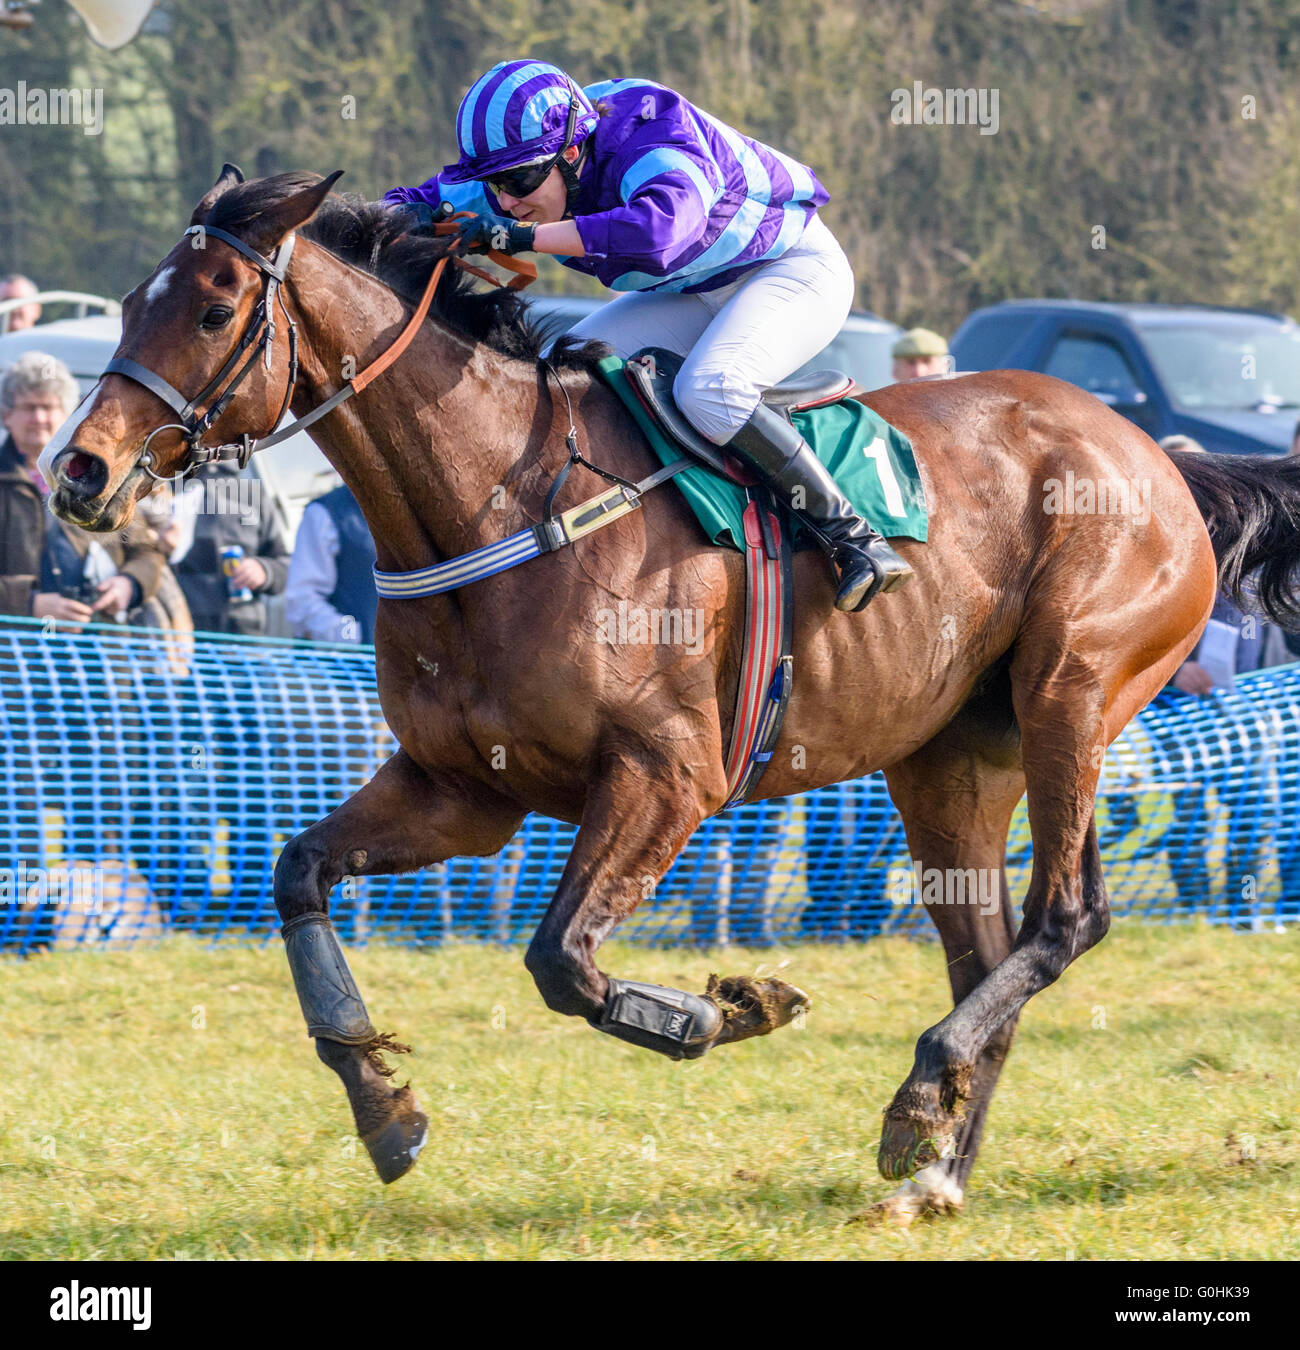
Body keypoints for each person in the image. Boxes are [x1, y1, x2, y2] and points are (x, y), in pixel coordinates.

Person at [383, 59, 912, 613]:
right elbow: (407, 204)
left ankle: (856, 540)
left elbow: (658, 233)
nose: (506, 199)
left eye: (518, 182)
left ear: (571, 151)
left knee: (709, 388)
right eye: (493, 184)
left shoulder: (649, 129)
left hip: (791, 272)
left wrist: (522, 235)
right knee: (558, 370)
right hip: (692, 288)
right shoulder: (529, 165)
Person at [172, 459, 289, 636]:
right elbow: (140, 557)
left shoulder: (254, 496)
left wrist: (264, 571)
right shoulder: (165, 490)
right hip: (177, 632)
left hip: (244, 637)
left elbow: (286, 564)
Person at [285, 482, 378, 644]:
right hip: (350, 663)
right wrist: (355, 636)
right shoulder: (323, 513)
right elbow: (302, 601)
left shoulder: (414, 508)